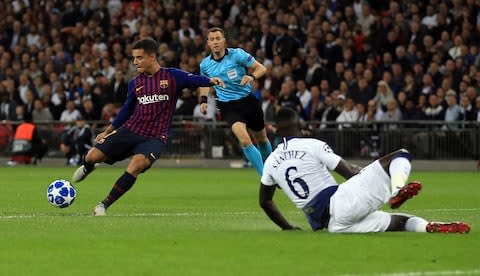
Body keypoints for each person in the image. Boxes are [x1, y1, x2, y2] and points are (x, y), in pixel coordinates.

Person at [71, 38, 224, 216]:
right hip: (131, 130)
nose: (135, 62)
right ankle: (89, 167)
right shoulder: (135, 83)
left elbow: (195, 80)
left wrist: (211, 81)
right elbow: (125, 111)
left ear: (152, 57)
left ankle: (103, 205)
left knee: (137, 165)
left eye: (139, 57)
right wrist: (107, 132)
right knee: (92, 156)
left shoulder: (172, 76)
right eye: (134, 58)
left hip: (155, 137)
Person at [259, 107, 470, 234]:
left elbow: (265, 201)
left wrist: (287, 227)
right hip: (341, 202)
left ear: (276, 130)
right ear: (300, 126)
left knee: (400, 222)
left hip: (333, 225)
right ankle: (397, 189)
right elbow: (349, 172)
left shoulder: (270, 162)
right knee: (400, 155)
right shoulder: (312, 144)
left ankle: (429, 227)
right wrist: (372, 173)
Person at [199, 27, 272, 176]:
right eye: (212, 39)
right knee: (244, 140)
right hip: (228, 106)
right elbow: (205, 83)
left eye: (218, 38)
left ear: (224, 40)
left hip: (248, 101)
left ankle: (274, 169)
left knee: (262, 140)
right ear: (208, 43)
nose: (215, 42)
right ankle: (265, 177)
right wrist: (203, 100)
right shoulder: (205, 65)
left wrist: (252, 77)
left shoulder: (237, 54)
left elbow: (261, 68)